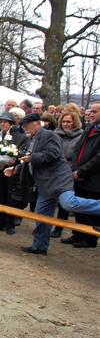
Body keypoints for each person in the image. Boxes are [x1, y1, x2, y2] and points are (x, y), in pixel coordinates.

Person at [3, 113, 100, 254]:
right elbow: (30, 162)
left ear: (37, 124)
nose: (26, 130)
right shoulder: (33, 139)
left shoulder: (49, 135)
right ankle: (39, 246)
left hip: (59, 180)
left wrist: (32, 157)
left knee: (69, 204)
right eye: (24, 127)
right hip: (45, 186)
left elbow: (53, 154)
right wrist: (16, 169)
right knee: (41, 216)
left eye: (28, 127)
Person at [0, 112, 28, 234]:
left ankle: (9, 224)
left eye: (5, 122)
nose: (3, 124)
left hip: (11, 171)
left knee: (10, 198)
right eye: (1, 122)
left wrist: (15, 157)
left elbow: (23, 151)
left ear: (11, 123)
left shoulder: (20, 135)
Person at [66, 102, 100, 248]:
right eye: (90, 111)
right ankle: (77, 235)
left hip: (94, 178)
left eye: (95, 111)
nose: (91, 114)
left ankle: (89, 239)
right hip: (79, 175)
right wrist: (75, 168)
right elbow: (76, 149)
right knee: (79, 207)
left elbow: (98, 158)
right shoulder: (90, 127)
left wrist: (81, 171)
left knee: (90, 209)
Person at [50, 111, 84, 238]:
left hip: (69, 171)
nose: (66, 124)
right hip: (53, 169)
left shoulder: (80, 136)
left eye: (69, 121)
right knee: (50, 199)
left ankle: (59, 228)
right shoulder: (55, 134)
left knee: (64, 203)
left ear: (74, 122)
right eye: (63, 121)